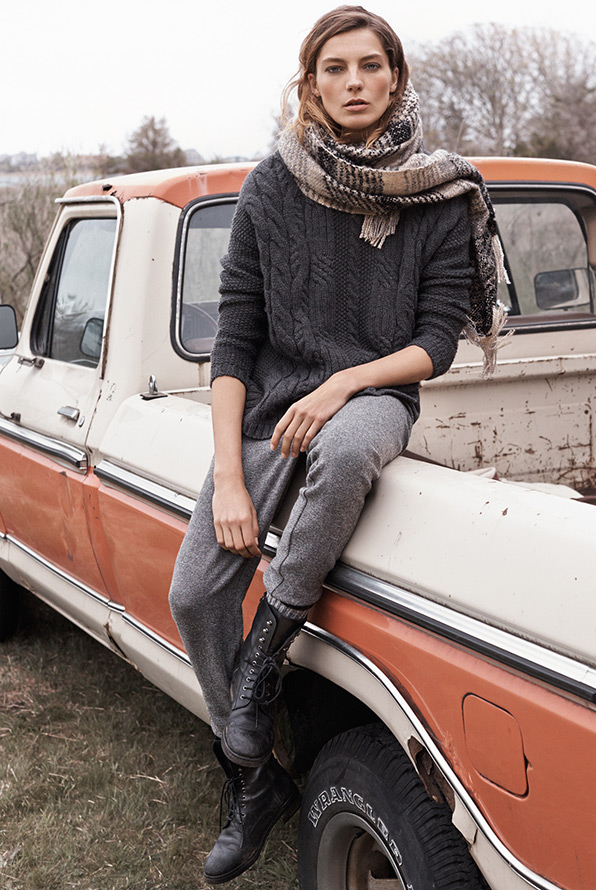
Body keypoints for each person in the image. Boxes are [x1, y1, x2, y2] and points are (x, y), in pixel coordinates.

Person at [169, 5, 504, 884]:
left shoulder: (438, 192)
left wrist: (344, 382)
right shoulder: (272, 185)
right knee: (194, 594)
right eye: (335, 69)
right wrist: (230, 478)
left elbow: (436, 342)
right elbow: (235, 338)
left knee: (350, 451)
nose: (355, 82)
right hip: (269, 410)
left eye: (370, 66)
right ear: (310, 83)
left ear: (396, 76)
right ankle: (253, 779)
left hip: (375, 396)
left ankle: (261, 669)